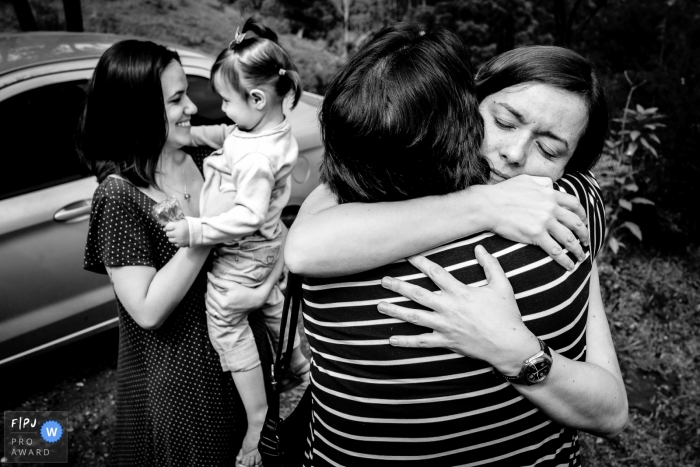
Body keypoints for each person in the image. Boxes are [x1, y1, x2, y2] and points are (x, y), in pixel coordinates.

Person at [285, 24, 627, 466]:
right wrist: (482, 203)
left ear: (573, 165)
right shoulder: (372, 194)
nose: (515, 153)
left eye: (549, 148)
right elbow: (304, 249)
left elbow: (613, 408)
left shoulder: (571, 207)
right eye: (504, 121)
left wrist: (518, 353)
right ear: (466, 103)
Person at [77, 39, 283, 466]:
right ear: (137, 112)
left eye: (186, 92)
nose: (192, 106)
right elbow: (148, 311)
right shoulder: (120, 196)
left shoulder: (208, 158)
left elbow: (265, 235)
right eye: (176, 99)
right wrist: (206, 231)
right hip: (182, 384)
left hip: (241, 358)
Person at [163, 17, 310, 467]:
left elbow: (245, 216)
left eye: (226, 100)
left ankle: (257, 415)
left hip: (242, 255)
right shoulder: (268, 131)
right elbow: (227, 135)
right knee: (269, 310)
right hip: (270, 253)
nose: (221, 110)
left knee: (226, 321)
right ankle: (305, 372)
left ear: (258, 98)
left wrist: (195, 231)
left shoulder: (256, 162)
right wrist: (192, 136)